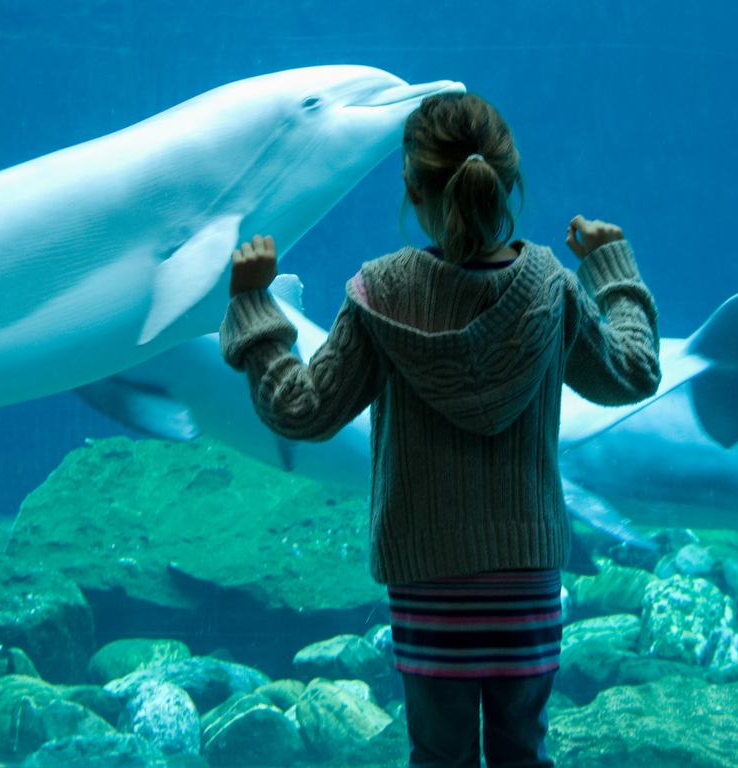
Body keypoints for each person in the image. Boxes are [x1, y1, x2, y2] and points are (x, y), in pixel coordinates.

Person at [220, 92, 660, 768]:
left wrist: (255, 305)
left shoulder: (379, 293)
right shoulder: (551, 287)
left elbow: (302, 410)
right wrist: (613, 271)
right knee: (522, 750)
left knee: (439, 753)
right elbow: (632, 372)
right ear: (508, 183)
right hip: (526, 579)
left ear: (409, 187)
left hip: (430, 585)